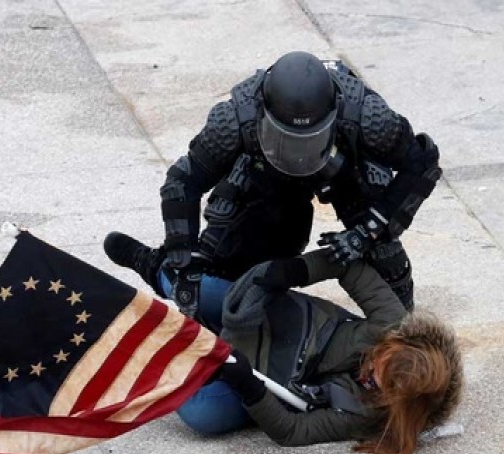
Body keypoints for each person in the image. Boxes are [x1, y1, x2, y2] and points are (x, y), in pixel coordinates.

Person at [104, 50, 442, 331]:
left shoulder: (367, 116)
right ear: (262, 112)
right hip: (266, 173)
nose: (299, 151)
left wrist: (368, 231)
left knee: (391, 280)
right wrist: (183, 255)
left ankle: (402, 326)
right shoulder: (235, 118)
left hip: (344, 170)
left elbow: (422, 162)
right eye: (289, 137)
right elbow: (182, 182)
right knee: (217, 271)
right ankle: (154, 265)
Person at [175, 249, 463, 454]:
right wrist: (296, 270)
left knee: (202, 414)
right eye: (379, 357)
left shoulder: (364, 415)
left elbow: (292, 431)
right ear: (398, 343)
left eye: (375, 384)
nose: (367, 372)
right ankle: (148, 267)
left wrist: (249, 388)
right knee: (194, 288)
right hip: (276, 320)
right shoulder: (393, 323)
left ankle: (173, 350)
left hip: (264, 378)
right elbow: (351, 268)